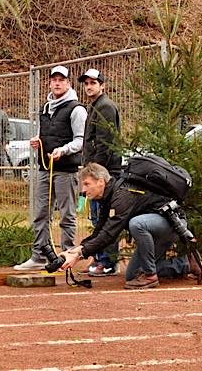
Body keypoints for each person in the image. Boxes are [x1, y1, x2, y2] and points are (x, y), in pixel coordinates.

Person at [59, 163, 202, 289]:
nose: (83, 190)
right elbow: (101, 231)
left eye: (86, 184)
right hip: (155, 230)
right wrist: (75, 251)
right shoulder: (108, 197)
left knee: (136, 224)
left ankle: (150, 276)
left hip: (170, 224)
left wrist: (80, 255)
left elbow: (110, 234)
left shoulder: (122, 195)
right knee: (132, 275)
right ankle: (186, 264)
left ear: (101, 181)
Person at [14, 66, 87, 271]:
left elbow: (80, 141)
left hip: (66, 170)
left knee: (67, 214)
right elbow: (43, 133)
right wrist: (38, 141)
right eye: (54, 79)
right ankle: (39, 256)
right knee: (41, 213)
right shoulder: (45, 108)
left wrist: (63, 151)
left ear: (68, 83)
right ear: (49, 83)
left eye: (61, 80)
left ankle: (68, 255)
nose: (57, 83)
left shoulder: (77, 109)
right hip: (44, 168)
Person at [79, 67, 122, 277]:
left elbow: (105, 143)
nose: (89, 87)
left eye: (93, 83)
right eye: (86, 83)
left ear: (102, 85)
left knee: (104, 219)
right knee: (97, 218)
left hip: (104, 174)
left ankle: (108, 262)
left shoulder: (105, 107)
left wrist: (97, 175)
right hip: (96, 172)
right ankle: (100, 258)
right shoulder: (94, 107)